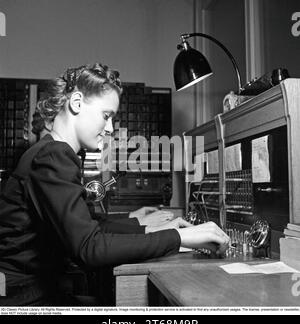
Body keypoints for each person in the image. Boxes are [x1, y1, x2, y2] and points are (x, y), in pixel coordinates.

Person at [0, 63, 230, 306]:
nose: (109, 128)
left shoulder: (48, 151)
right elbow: (90, 246)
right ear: (77, 103)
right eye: (106, 116)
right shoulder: (52, 155)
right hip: (23, 298)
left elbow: (87, 226)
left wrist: (142, 225)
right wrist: (179, 237)